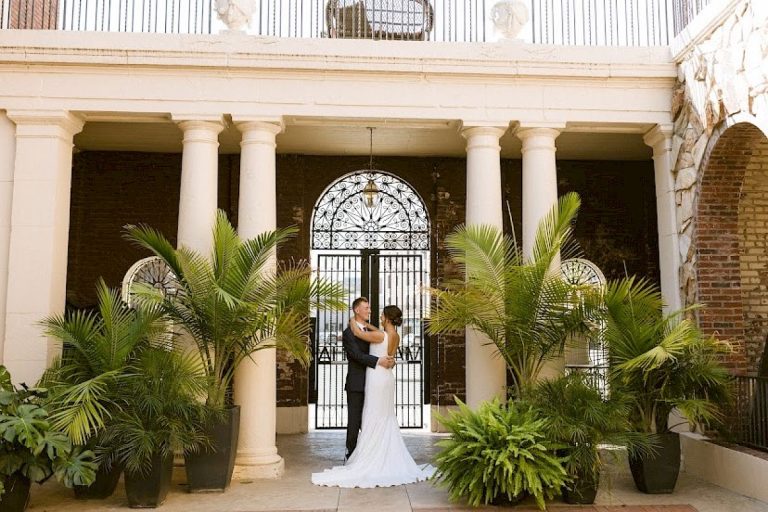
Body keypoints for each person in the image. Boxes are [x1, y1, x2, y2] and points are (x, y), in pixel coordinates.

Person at [311, 300, 435, 488]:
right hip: (383, 378)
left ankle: (369, 457)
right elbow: (366, 350)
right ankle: (367, 453)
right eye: (367, 308)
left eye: (379, 313)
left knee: (373, 417)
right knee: (379, 417)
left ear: (386, 318)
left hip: (377, 379)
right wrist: (361, 326)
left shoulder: (378, 335)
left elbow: (360, 333)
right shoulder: (394, 335)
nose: (372, 312)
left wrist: (353, 322)